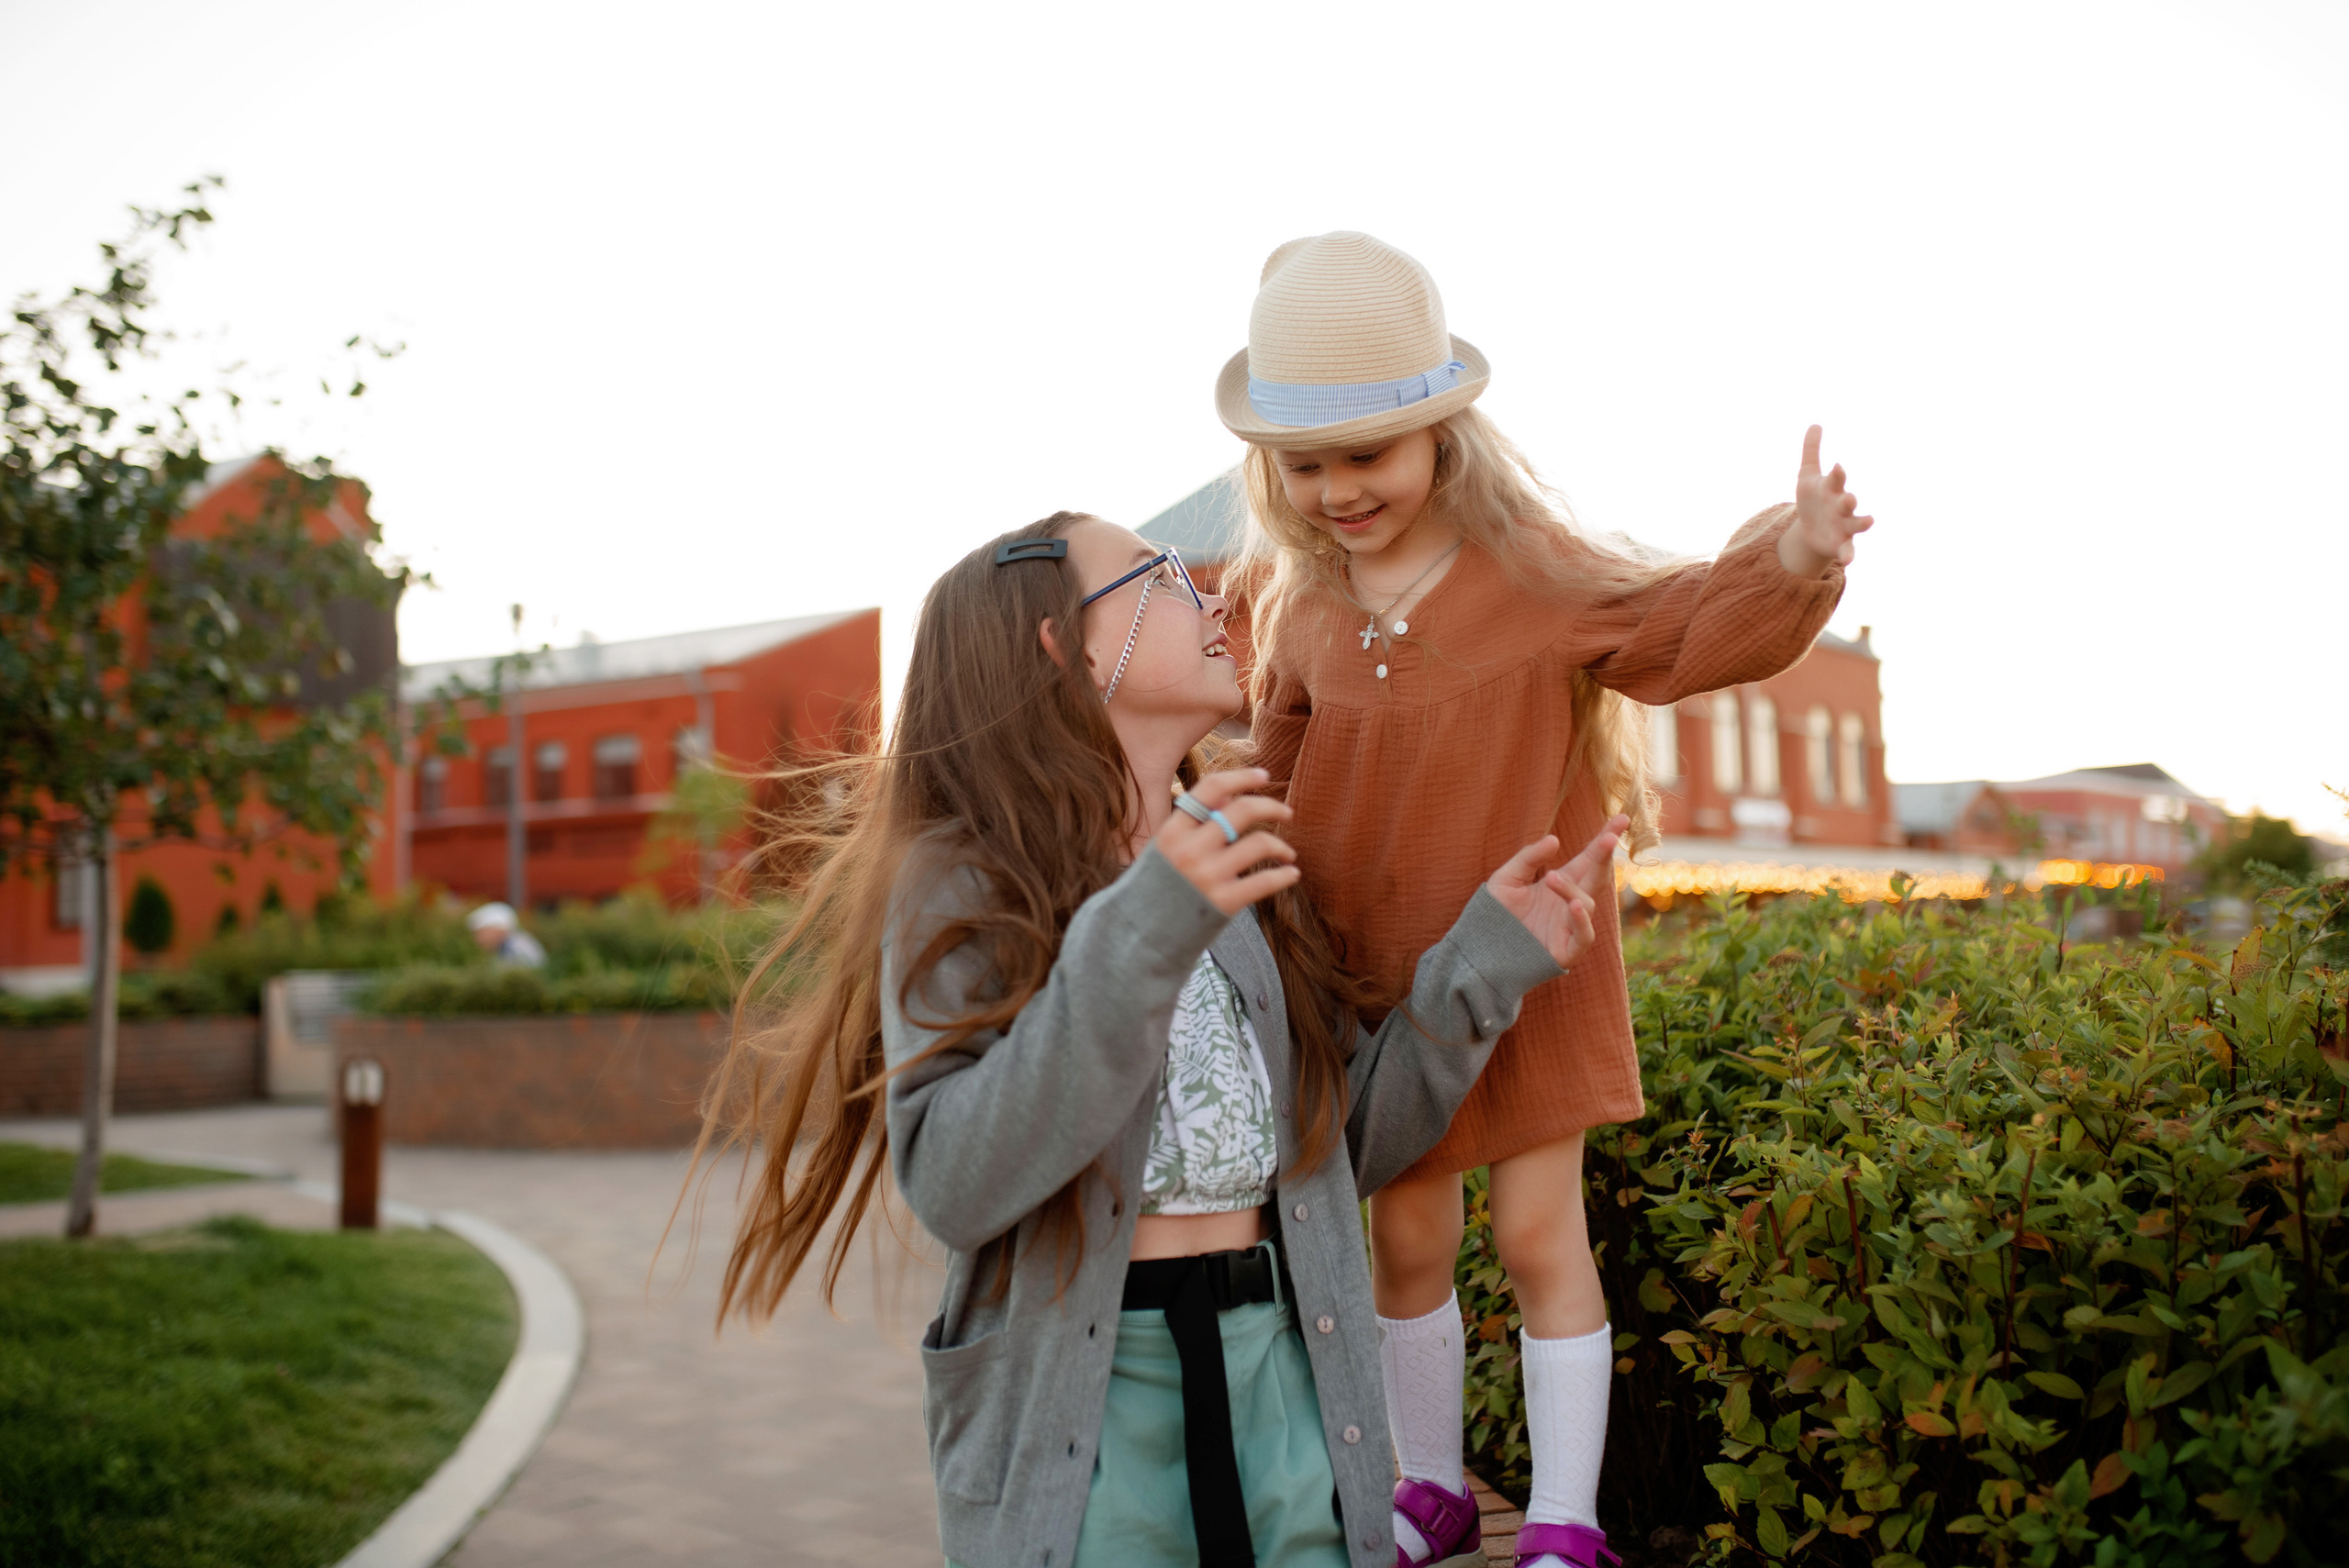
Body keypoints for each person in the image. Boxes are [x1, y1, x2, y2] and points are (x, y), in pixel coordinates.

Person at [696, 511, 1625, 1568]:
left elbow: (1343, 1149)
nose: (1213, 597)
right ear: (1069, 646)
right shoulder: (969, 884)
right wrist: (1146, 923)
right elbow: (956, 1177)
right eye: (1163, 577)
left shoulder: (1245, 863)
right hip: (1087, 1409)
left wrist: (1485, 963)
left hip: (1288, 1378)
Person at [1219, 232, 1875, 1568]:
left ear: (1445, 437)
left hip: (1527, 961)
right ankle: (1428, 1486)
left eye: (1372, 454)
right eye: (1309, 463)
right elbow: (1272, 775)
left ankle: (1566, 1520)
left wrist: (1799, 554)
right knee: (1403, 1242)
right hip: (1376, 981)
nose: (1341, 490)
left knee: (1533, 1235)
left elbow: (1686, 628)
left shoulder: (1532, 572)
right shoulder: (1299, 614)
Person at [465, 901, 546, 968]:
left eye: (480, 933)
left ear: (497, 929)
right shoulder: (510, 944)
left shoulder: (514, 949)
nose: (477, 940)